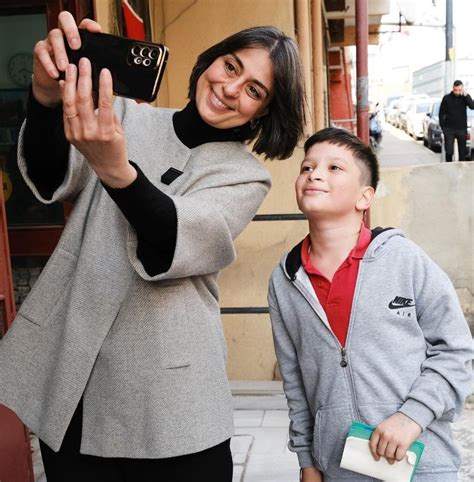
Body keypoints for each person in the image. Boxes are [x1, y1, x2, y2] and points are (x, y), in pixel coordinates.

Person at [0, 11, 305, 482]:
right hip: (75, 376)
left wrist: (116, 169)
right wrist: (42, 97)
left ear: (263, 112)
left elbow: (174, 237)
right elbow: (46, 176)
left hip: (170, 395)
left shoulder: (244, 174)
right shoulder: (122, 115)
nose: (230, 88)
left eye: (254, 90)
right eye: (230, 66)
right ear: (210, 62)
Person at [268, 127, 473, 481]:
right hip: (338, 469)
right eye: (307, 167)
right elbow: (295, 381)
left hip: (420, 465)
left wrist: (413, 416)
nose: (315, 173)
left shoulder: (404, 260)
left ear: (365, 197)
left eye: (334, 168)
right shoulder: (285, 279)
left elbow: (456, 349)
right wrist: (306, 459)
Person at [439, 80, 474, 161]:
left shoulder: (464, 98)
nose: (457, 92)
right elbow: (441, 113)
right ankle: (449, 168)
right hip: (449, 129)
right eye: (455, 90)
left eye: (459, 90)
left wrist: (466, 95)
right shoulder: (446, 98)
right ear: (453, 88)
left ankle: (461, 171)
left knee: (462, 154)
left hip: (461, 129)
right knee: (449, 152)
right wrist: (443, 128)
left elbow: (472, 106)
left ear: (462, 89)